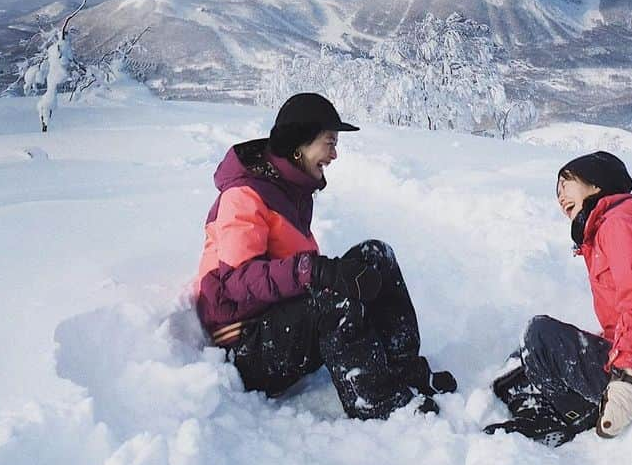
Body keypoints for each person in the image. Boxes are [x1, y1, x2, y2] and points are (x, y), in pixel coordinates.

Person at [195, 92, 456, 420]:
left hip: (274, 321)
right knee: (331, 296)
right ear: (298, 145)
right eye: (328, 143)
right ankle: (375, 401)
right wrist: (315, 271)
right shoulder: (244, 195)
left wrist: (331, 273)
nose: (334, 154)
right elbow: (236, 281)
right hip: (244, 345)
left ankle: (404, 370)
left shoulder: (291, 189)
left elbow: (294, 269)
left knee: (374, 255)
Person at [485, 150, 632, 445]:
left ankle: (561, 418)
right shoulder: (615, 228)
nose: (560, 197)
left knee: (539, 336)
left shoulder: (619, 226)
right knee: (522, 362)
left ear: (596, 184)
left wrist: (629, 377)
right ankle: (548, 408)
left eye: (565, 184)